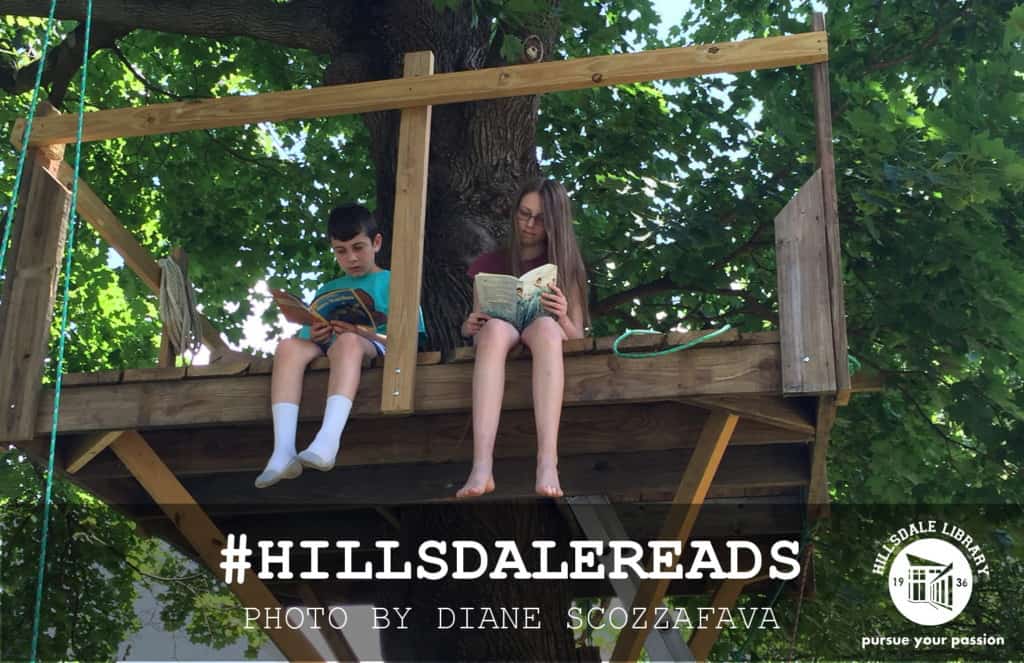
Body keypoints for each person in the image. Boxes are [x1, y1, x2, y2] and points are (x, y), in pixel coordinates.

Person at [255, 204, 426, 488]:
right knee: (287, 346)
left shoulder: (394, 281)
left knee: (348, 341)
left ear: (377, 243)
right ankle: (282, 450)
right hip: (330, 347)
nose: (351, 258)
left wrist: (362, 333)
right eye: (341, 251)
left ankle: (328, 440)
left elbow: (412, 340)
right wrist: (317, 333)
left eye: (358, 247)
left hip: (375, 346)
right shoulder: (327, 288)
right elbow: (308, 335)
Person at [457, 178, 589, 499]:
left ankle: (547, 462)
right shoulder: (489, 265)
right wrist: (469, 326)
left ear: (554, 222)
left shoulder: (567, 266)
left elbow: (577, 339)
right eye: (523, 214)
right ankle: (482, 466)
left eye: (540, 219)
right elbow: (476, 329)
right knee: (493, 329)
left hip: (543, 334)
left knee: (545, 328)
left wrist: (560, 314)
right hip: (500, 334)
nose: (529, 225)